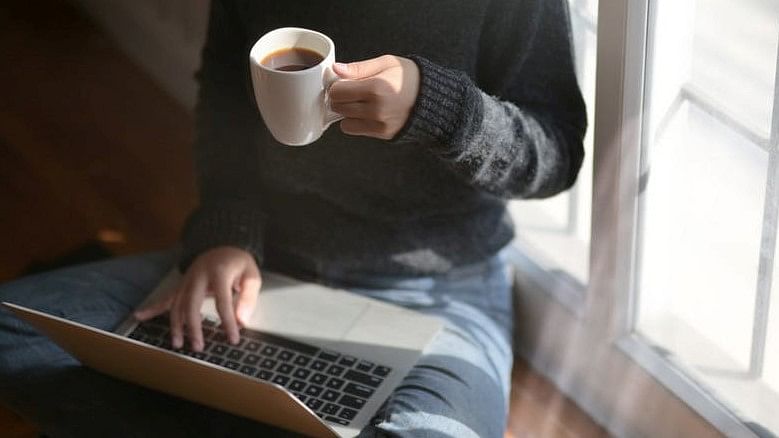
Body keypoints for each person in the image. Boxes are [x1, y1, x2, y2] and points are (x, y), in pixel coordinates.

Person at [0, 0, 586, 436]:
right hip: (266, 259)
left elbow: (556, 155)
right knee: (13, 334)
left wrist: (440, 110)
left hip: (436, 289)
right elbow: (229, 91)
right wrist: (227, 232)